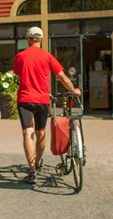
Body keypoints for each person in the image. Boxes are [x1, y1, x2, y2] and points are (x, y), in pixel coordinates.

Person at [13, 27, 81, 185]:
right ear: (42, 40)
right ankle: (39, 161)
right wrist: (74, 90)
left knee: (27, 133)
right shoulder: (48, 56)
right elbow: (63, 77)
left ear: (28, 39)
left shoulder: (20, 56)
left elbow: (20, 76)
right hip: (42, 100)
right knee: (40, 132)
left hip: (24, 99)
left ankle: (32, 172)